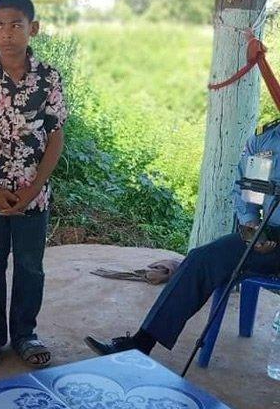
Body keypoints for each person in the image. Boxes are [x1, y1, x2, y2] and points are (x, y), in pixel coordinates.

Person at [86, 119, 280, 357]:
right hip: (268, 235)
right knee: (201, 259)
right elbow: (249, 193)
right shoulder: (265, 140)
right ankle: (141, 343)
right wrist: (253, 229)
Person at [0, 0, 67, 368]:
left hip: (32, 196)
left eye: (16, 25)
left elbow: (55, 136)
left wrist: (33, 188)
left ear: (33, 28)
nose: (7, 33)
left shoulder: (48, 78)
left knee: (30, 266)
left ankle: (25, 334)